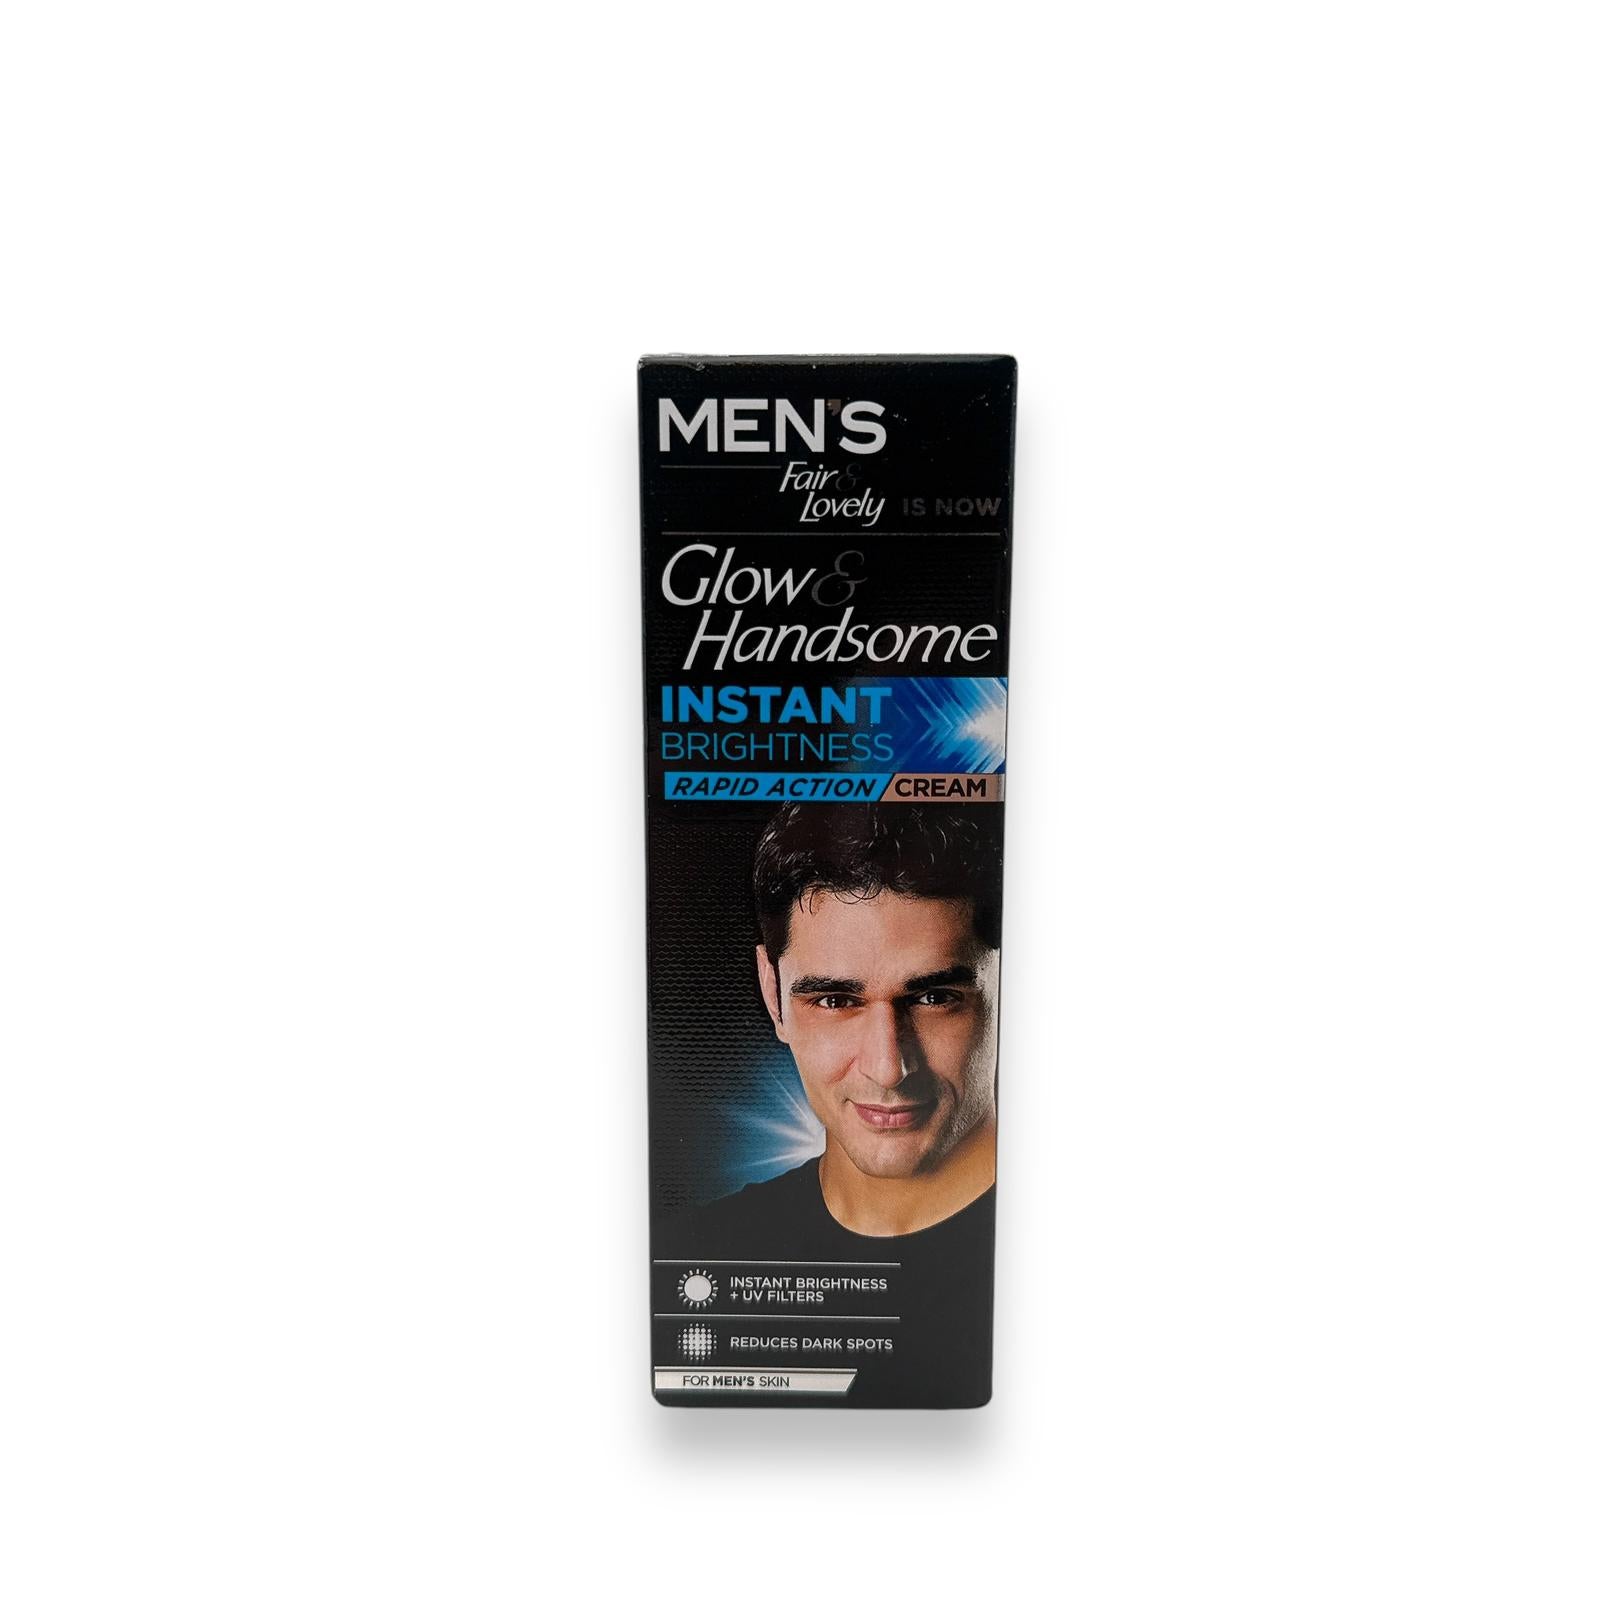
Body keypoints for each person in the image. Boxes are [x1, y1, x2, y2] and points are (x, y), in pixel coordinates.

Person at [657, 803, 1003, 1405]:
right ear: (773, 994)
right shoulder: (701, 1253)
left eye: (934, 998)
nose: (888, 1067)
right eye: (836, 1001)